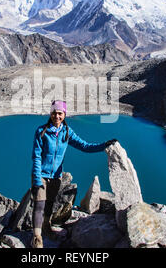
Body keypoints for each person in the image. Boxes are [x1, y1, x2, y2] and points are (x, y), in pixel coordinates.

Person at [31, 100, 117, 248]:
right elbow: (36, 156)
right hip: (41, 176)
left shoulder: (67, 132)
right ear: (50, 114)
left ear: (64, 114)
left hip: (56, 177)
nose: (56, 116)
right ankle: (37, 238)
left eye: (60, 113)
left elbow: (85, 146)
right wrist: (37, 178)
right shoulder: (42, 131)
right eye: (54, 113)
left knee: (50, 204)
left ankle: (46, 227)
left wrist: (104, 146)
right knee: (39, 205)